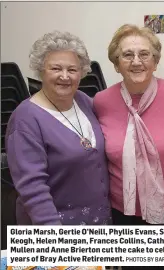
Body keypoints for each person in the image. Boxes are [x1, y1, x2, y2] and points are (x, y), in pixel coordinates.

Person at [5, 31, 112, 225]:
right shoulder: (25, 120)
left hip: (98, 222)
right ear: (41, 70)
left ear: (82, 72)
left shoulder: (84, 102)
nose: (65, 76)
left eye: (72, 70)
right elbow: (32, 189)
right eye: (56, 68)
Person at [93, 24, 164, 228]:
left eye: (144, 54)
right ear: (116, 64)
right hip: (122, 215)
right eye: (127, 55)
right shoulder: (101, 102)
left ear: (155, 61)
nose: (136, 62)